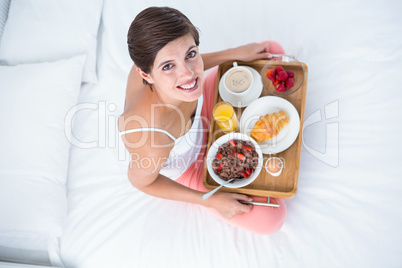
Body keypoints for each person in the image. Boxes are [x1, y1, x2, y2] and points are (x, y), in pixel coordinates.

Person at [119, 6, 287, 234]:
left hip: (205, 110)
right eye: (168, 66)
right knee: (271, 218)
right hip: (191, 166)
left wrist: (234, 53)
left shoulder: (173, 71)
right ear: (145, 74)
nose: (188, 74)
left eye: (191, 54)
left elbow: (185, 65)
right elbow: (140, 181)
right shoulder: (150, 139)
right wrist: (208, 200)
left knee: (271, 52)